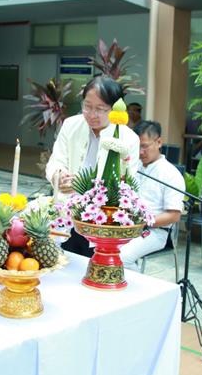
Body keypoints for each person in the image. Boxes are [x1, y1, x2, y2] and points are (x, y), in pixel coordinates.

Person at [46, 76, 139, 256]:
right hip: (66, 213)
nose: (91, 114)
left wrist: (84, 185)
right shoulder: (71, 124)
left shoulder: (128, 139)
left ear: (114, 109)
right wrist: (60, 176)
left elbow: (125, 184)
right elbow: (56, 160)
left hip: (101, 220)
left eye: (100, 109)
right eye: (87, 106)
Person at [120, 121, 184, 271]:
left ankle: (141, 291)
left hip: (155, 231)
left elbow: (174, 216)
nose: (141, 152)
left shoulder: (170, 174)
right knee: (99, 247)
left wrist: (142, 222)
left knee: (122, 257)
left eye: (145, 146)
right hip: (128, 225)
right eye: (137, 147)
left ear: (159, 142)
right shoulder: (135, 167)